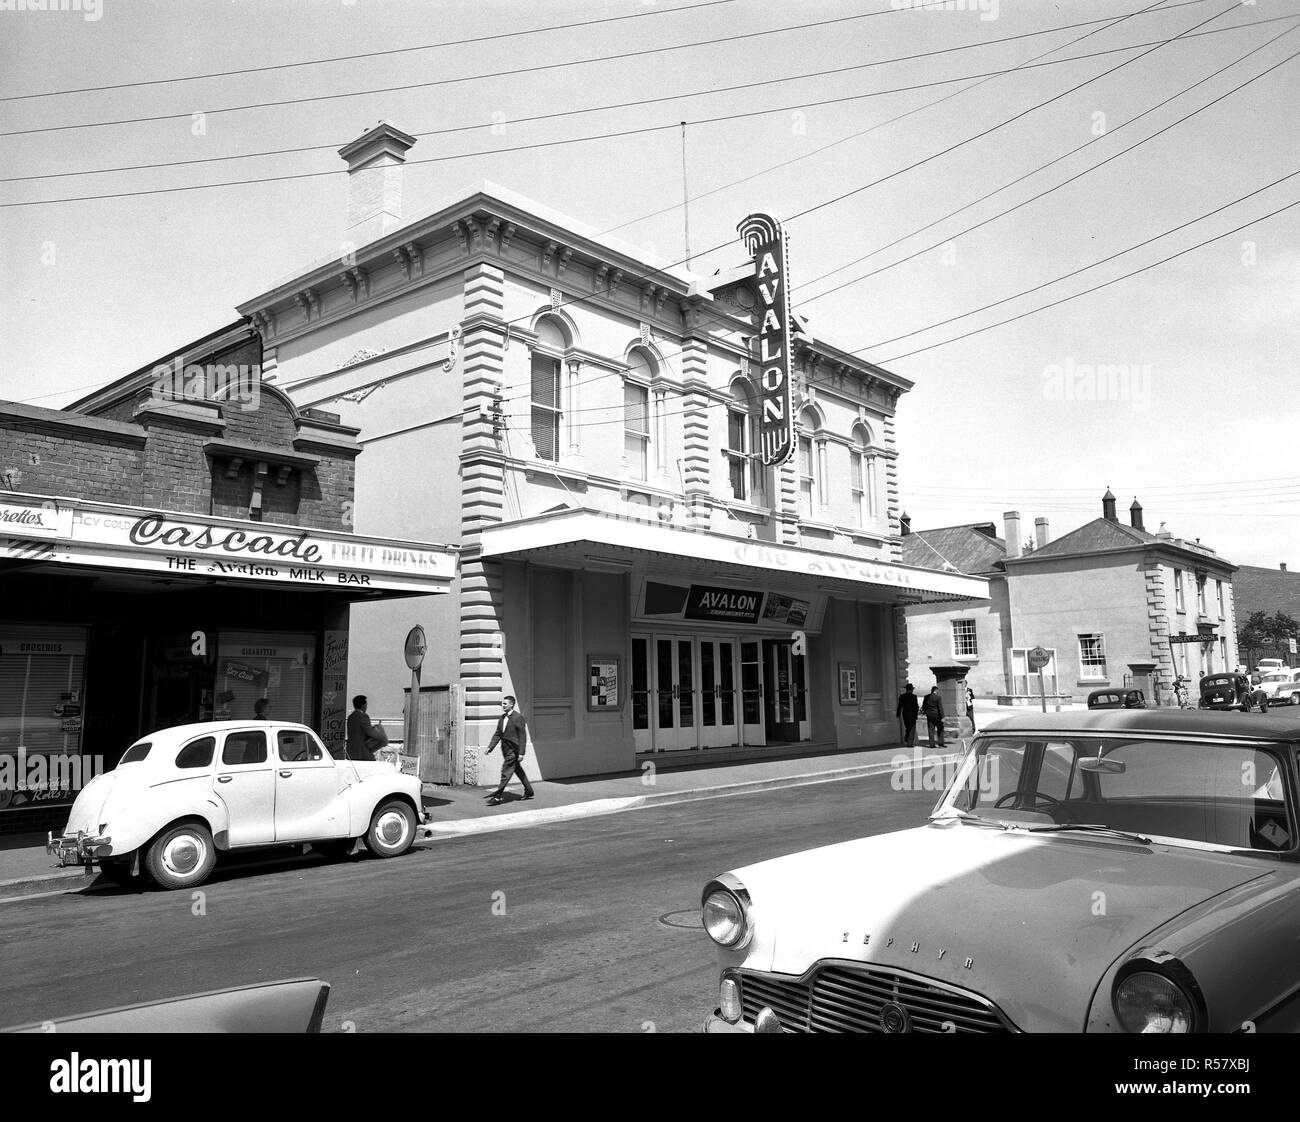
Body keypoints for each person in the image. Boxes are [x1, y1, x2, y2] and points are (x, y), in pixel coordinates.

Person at [485, 694, 534, 804]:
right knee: (518, 770)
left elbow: (522, 736)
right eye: (502, 703)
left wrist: (521, 753)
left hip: (514, 750)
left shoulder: (518, 717)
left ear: (511, 705)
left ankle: (497, 796)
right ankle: (529, 791)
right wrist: (490, 747)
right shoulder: (502, 718)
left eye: (505, 704)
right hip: (505, 749)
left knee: (506, 771)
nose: (502, 705)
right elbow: (498, 734)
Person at [346, 695, 387, 761]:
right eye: (366, 705)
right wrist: (382, 737)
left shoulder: (351, 717)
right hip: (361, 751)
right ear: (363, 705)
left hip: (350, 751)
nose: (366, 707)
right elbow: (370, 732)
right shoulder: (363, 716)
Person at [895, 683, 919, 748]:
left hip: (905, 714)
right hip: (912, 714)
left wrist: (898, 714)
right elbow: (916, 707)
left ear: (906, 689)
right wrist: (916, 715)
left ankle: (907, 738)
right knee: (912, 728)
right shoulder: (914, 697)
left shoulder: (902, 696)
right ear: (912, 690)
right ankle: (910, 743)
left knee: (908, 727)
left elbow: (899, 706)